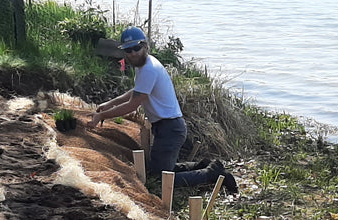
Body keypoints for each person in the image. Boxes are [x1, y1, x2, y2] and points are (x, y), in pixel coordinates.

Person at [86, 26, 235, 193]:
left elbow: (133, 105)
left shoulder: (148, 69)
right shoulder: (144, 65)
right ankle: (201, 166)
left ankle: (211, 175)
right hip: (167, 126)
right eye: (128, 50)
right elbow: (136, 92)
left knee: (161, 178)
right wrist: (109, 104)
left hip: (169, 128)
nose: (133, 53)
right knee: (162, 169)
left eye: (137, 47)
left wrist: (103, 115)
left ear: (145, 46)